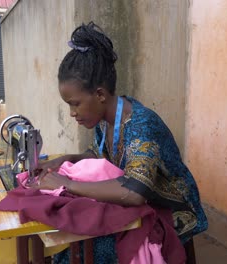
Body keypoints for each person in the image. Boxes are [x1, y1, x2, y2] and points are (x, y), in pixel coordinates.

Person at [32, 21, 208, 263]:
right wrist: (64, 159)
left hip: (171, 207)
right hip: (139, 198)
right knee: (72, 235)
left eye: (75, 103)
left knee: (85, 245)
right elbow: (98, 155)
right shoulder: (106, 118)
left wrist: (66, 184)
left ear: (100, 95)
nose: (72, 113)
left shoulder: (141, 124)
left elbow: (134, 192)